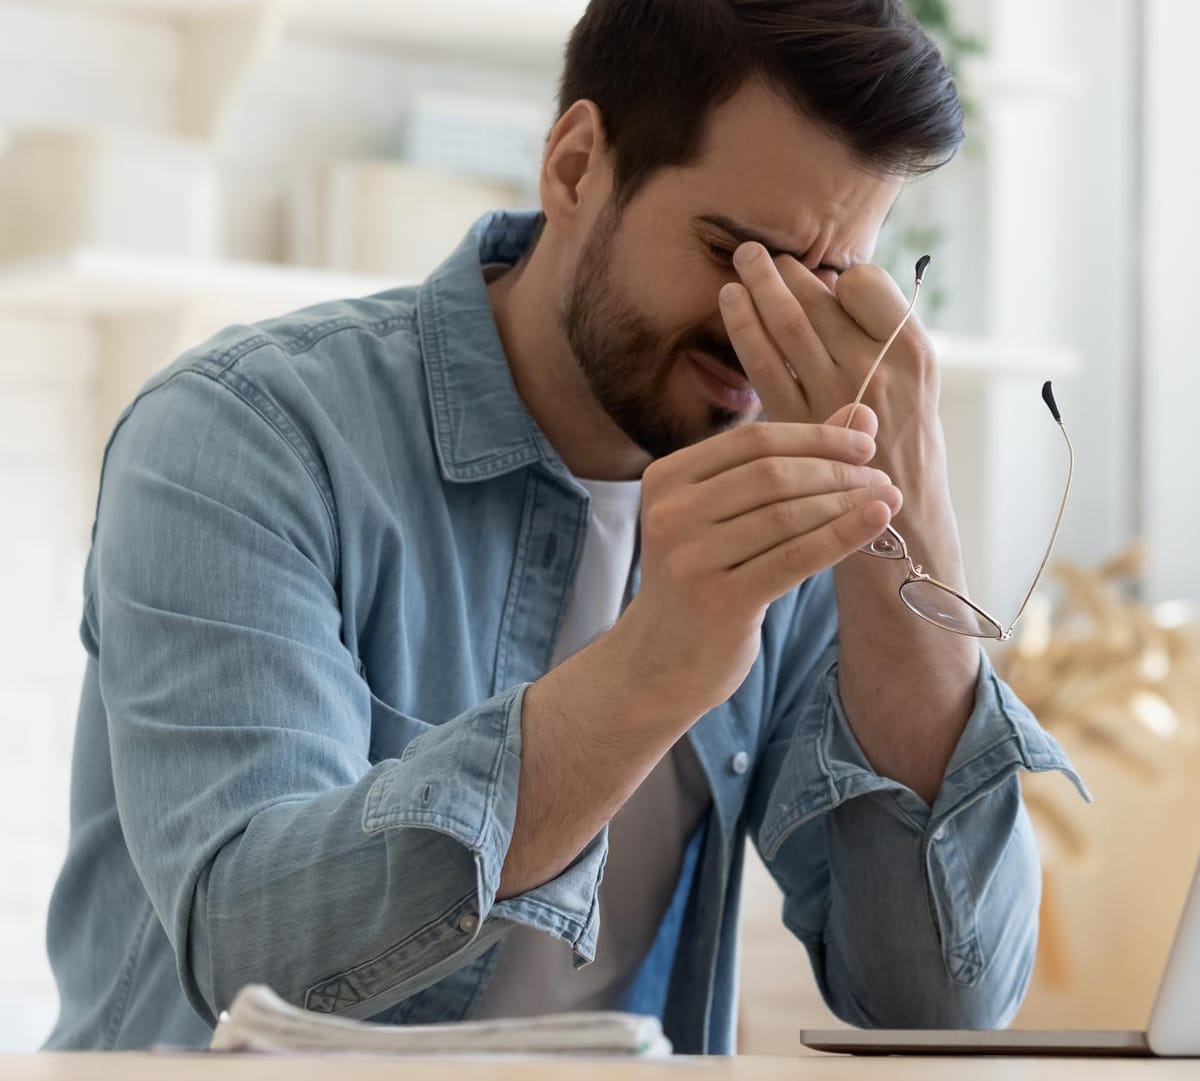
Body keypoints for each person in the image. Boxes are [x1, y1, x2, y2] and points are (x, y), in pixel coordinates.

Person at [44, 0, 1085, 1053]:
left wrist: (913, 529)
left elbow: (941, 1006)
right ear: (577, 165)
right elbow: (253, 961)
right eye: (736, 253)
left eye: (825, 281)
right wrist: (653, 667)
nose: (760, 330)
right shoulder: (247, 435)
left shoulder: (798, 491)